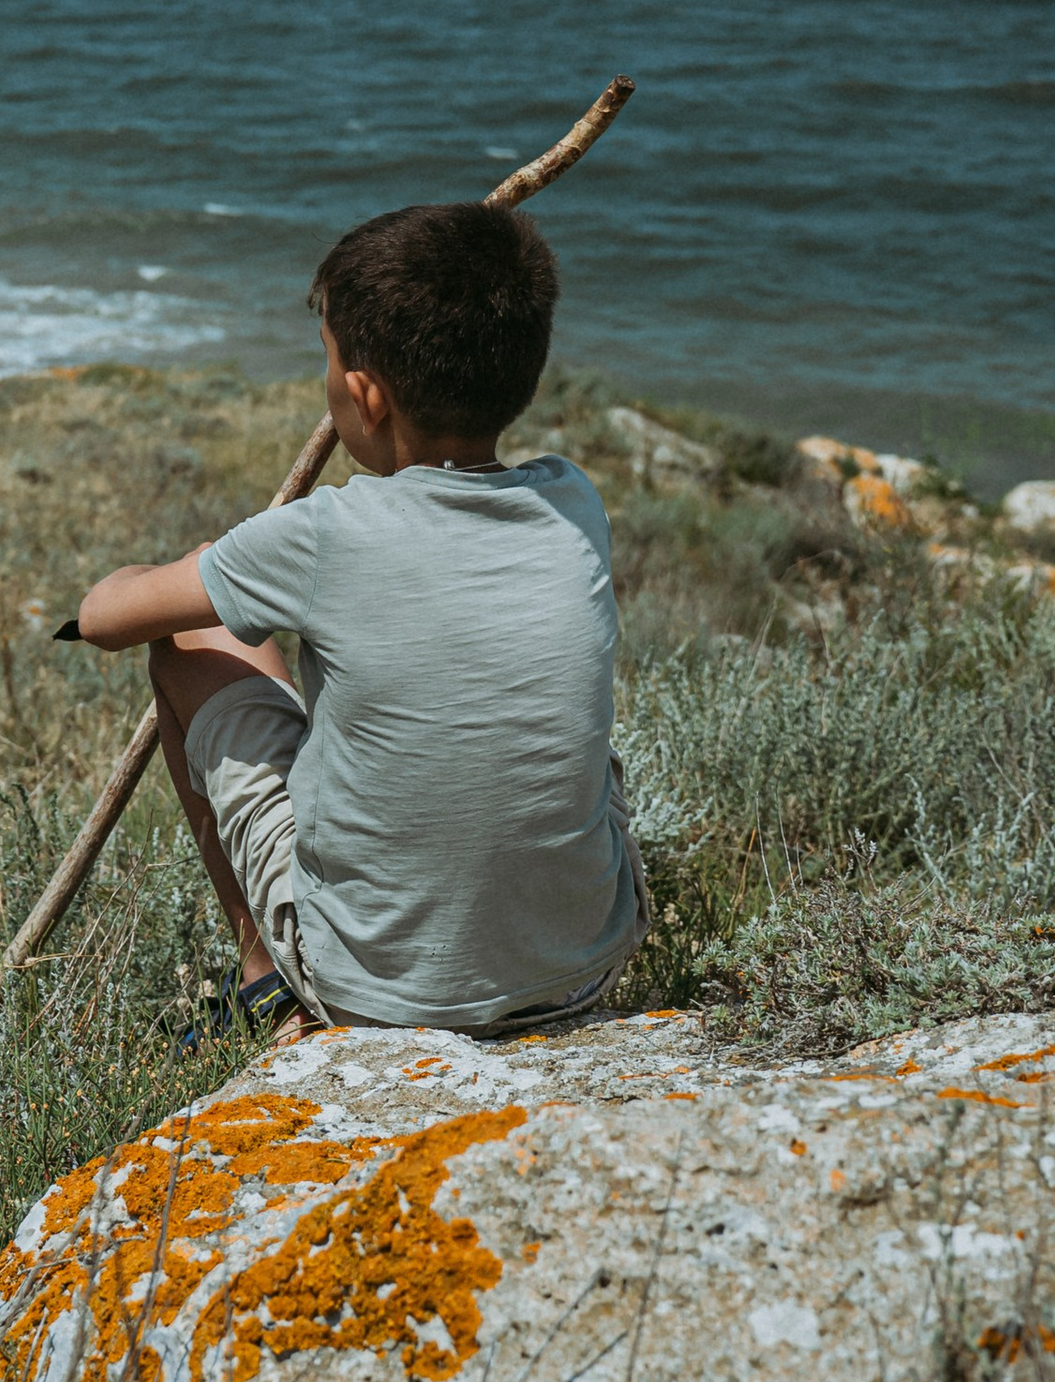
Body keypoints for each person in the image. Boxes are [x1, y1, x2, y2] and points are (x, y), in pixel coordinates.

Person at [74, 198, 644, 1043]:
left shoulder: (325, 534)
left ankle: (267, 974)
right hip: (584, 967)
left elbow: (104, 618)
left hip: (379, 991)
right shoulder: (574, 502)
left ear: (365, 395)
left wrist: (184, 565)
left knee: (191, 640)